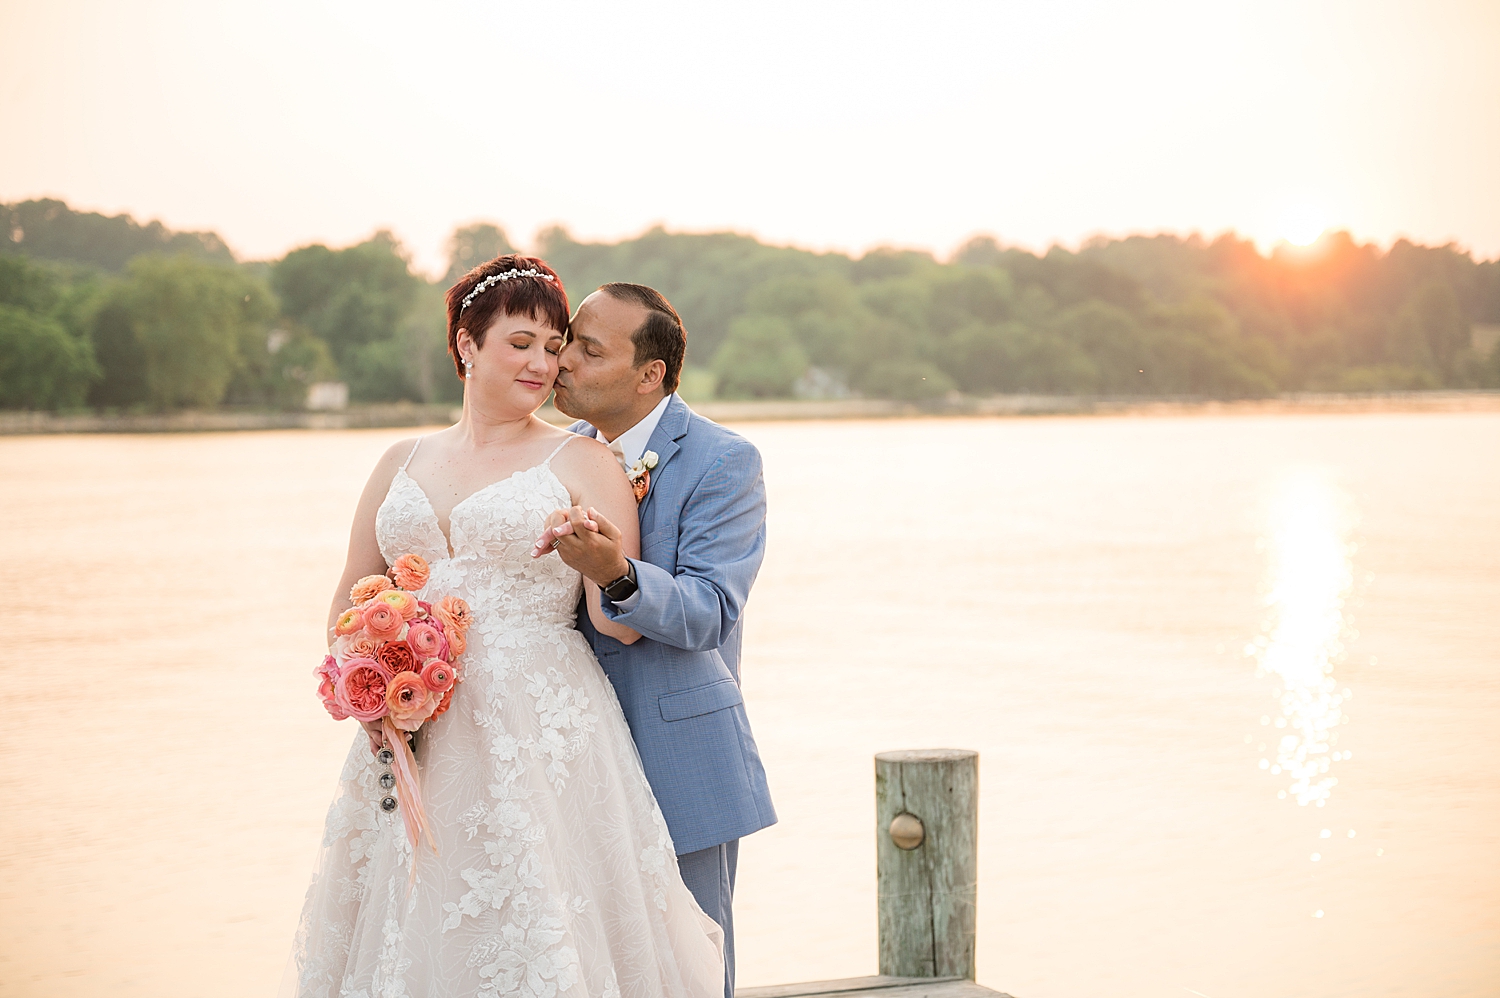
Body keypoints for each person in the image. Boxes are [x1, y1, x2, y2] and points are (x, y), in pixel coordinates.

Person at [288, 256, 724, 998]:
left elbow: (613, 627)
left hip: (537, 729)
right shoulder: (401, 459)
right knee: (413, 918)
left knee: (534, 917)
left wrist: (600, 560)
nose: (542, 363)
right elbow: (347, 607)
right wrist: (376, 679)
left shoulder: (583, 459)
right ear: (466, 345)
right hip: (414, 727)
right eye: (520, 342)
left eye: (554, 346)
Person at [532, 283, 776, 998]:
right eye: (566, 340)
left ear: (651, 375)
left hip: (679, 758)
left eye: (587, 348)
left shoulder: (724, 461)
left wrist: (617, 573)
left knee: (690, 969)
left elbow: (710, 610)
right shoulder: (553, 455)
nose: (561, 360)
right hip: (566, 757)